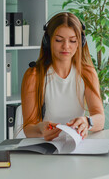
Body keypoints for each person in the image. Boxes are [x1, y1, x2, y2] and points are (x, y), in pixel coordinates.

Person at [21, 12, 104, 141]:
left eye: (72, 41)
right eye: (59, 40)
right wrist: (40, 128)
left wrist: (87, 122)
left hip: (77, 144)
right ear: (47, 41)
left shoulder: (87, 73)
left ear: (80, 43)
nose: (66, 46)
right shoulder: (34, 75)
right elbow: (28, 129)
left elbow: (100, 119)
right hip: (48, 145)